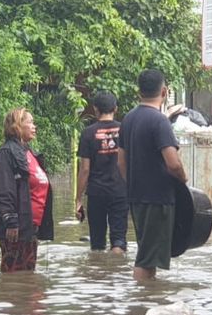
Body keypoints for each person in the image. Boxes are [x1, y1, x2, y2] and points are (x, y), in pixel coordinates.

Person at [118, 70, 188, 281]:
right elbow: (173, 163)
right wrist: (184, 181)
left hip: (137, 197)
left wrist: (134, 185)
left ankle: (147, 302)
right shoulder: (160, 122)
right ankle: (141, 304)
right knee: (147, 258)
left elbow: (121, 161)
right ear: (164, 91)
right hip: (158, 198)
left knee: (147, 251)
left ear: (138, 91)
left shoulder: (128, 119)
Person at [0, 108, 54, 272]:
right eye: (30, 122)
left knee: (27, 274)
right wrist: (10, 219)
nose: (34, 126)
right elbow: (2, 189)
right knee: (15, 273)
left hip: (30, 226)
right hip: (15, 227)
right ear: (17, 126)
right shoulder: (5, 153)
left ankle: (22, 298)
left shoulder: (28, 152)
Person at [75, 90, 128, 254]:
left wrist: (78, 199)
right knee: (118, 240)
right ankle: (116, 271)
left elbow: (84, 169)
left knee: (97, 243)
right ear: (116, 109)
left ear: (95, 109)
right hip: (120, 191)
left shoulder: (88, 133)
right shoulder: (125, 130)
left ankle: (98, 274)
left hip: (96, 193)